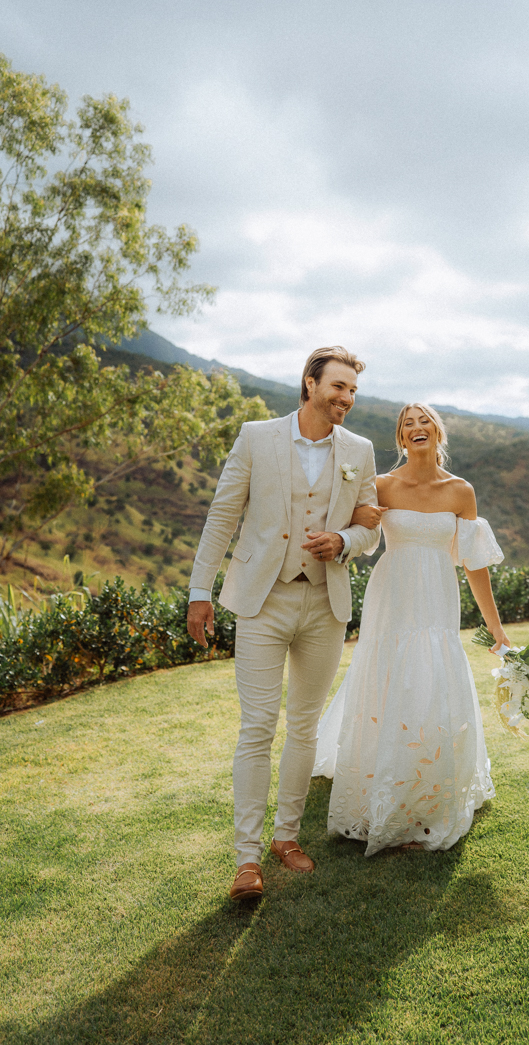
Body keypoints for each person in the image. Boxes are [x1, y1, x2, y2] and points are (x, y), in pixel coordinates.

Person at [187, 347, 381, 900]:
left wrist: (344, 541)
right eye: (338, 387)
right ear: (310, 383)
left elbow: (371, 526)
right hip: (262, 601)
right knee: (256, 727)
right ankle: (246, 860)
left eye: (353, 392)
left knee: (305, 726)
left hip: (325, 605)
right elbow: (222, 515)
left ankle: (287, 838)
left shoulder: (360, 451)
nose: (345, 398)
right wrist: (201, 592)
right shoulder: (257, 437)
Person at [312, 403, 509, 855]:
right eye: (408, 425)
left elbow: (475, 564)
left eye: (425, 423)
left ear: (439, 435)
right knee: (392, 675)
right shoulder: (382, 485)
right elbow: (356, 536)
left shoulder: (461, 491)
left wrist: (496, 628)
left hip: (437, 595)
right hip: (392, 593)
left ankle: (429, 783)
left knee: (431, 677)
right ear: (401, 439)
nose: (416, 429)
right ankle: (381, 779)